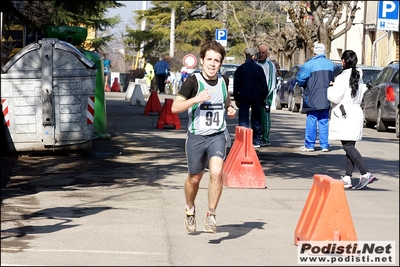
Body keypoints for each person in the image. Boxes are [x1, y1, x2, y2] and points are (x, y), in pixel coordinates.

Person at [171, 40, 236, 234]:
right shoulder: (193, 81)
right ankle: (190, 209)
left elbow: (226, 101)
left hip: (217, 135)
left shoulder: (224, 81)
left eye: (217, 60)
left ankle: (211, 214)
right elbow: (175, 108)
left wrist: (230, 108)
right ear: (202, 60)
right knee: (195, 178)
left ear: (221, 63)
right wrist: (196, 99)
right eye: (209, 59)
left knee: (216, 173)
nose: (212, 64)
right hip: (196, 137)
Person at [327, 50, 377, 190]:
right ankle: (348, 177)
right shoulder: (359, 76)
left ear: (343, 61)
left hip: (345, 113)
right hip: (355, 112)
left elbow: (334, 97)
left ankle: (365, 173)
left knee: (347, 146)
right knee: (350, 146)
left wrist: (330, 88)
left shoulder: (341, 78)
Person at [296, 43, 334, 152]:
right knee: (324, 120)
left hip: (312, 96)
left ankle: (309, 145)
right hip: (326, 96)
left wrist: (303, 85)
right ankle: (324, 145)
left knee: (312, 119)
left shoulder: (309, 65)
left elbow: (300, 79)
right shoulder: (330, 65)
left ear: (314, 52)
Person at [233, 47, 269, 148]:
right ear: (254, 56)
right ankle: (256, 141)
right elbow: (264, 85)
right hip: (257, 97)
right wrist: (263, 97)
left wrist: (236, 98)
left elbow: (236, 86)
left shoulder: (240, 69)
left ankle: (244, 140)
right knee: (257, 119)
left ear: (246, 55)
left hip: (244, 97)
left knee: (243, 119)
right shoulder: (259, 69)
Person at [257, 45, 276, 146]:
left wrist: (265, 95)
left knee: (265, 116)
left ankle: (265, 138)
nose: (260, 55)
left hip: (266, 95)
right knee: (256, 116)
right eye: (259, 52)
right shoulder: (256, 63)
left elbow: (270, 82)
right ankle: (257, 136)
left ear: (267, 54)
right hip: (257, 95)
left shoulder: (270, 65)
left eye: (263, 53)